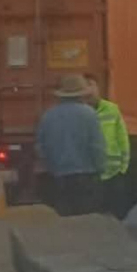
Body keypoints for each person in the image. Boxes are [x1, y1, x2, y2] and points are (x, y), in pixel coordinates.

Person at [36, 73, 105, 216]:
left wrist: (51, 167)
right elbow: (96, 146)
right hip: (85, 175)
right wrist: (100, 169)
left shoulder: (48, 116)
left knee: (64, 218)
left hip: (58, 176)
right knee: (85, 217)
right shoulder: (90, 115)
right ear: (82, 94)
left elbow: (41, 148)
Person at [84, 74, 131, 218]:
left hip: (114, 172)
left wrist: (123, 167)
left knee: (117, 211)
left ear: (98, 88)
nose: (90, 90)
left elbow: (123, 138)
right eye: (86, 86)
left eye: (92, 85)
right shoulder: (81, 113)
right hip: (93, 172)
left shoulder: (111, 109)